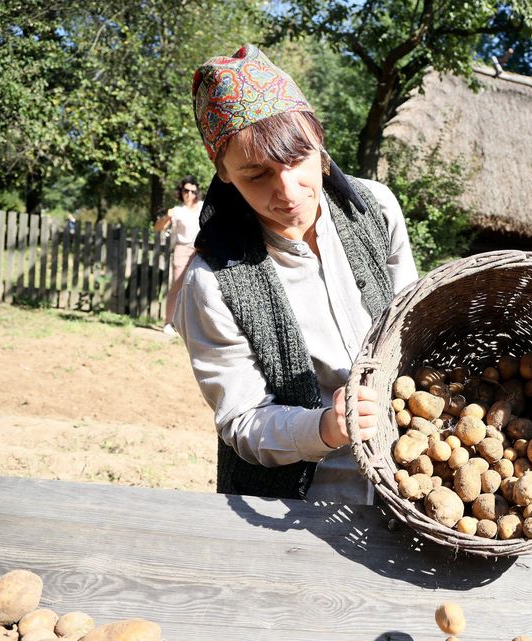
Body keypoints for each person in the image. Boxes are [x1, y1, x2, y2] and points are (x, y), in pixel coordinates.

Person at [173, 44, 418, 502]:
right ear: (223, 173)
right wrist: (325, 427)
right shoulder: (211, 282)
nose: (287, 192)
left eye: (297, 159)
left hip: (412, 479)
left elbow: (414, 324)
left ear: (319, 144)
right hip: (299, 504)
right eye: (255, 174)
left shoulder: (376, 210)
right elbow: (243, 420)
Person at [154, 176, 203, 336]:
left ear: (197, 192)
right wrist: (167, 216)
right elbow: (158, 228)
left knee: (200, 287)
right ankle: (168, 322)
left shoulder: (203, 207)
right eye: (186, 190)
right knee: (177, 286)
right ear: (181, 192)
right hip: (182, 250)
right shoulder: (177, 211)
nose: (189, 194)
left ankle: (193, 327)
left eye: (193, 191)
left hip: (201, 251)